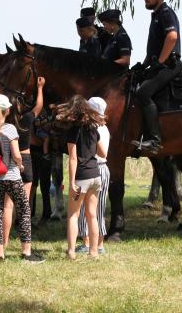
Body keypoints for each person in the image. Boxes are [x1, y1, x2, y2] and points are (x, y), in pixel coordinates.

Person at [0, 94, 45, 263]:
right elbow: (16, 155)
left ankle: (0, 255)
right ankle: (26, 252)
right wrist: (20, 165)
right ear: (6, 110)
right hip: (11, 176)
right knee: (24, 210)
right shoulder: (9, 128)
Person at [131, 0, 182, 153]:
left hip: (169, 66)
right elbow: (153, 47)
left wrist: (160, 62)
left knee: (143, 93)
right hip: (158, 64)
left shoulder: (166, 13)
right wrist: (144, 65)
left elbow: (172, 37)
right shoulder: (156, 15)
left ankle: (155, 141)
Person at [55, 95, 106, 260]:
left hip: (82, 176)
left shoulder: (73, 130)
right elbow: (103, 153)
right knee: (92, 215)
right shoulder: (93, 129)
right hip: (95, 175)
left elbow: (73, 158)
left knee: (73, 215)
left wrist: (71, 182)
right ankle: (94, 252)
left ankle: (71, 252)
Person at [3, 76, 45, 245]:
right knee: (24, 204)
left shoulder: (4, 124)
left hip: (8, 160)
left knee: (8, 205)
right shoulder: (26, 119)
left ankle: (3, 241)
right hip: (25, 159)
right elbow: (39, 106)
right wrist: (40, 88)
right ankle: (24, 239)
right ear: (18, 106)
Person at [76, 97, 110, 254]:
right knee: (100, 208)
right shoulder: (104, 127)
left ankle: (87, 243)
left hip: (92, 168)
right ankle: (100, 244)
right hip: (104, 169)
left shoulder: (90, 128)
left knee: (85, 209)